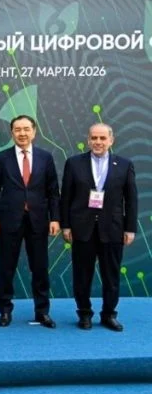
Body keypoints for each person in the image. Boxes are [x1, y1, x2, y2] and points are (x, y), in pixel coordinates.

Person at [60, 123, 137, 331]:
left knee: (111, 276)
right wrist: (65, 226)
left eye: (103, 138)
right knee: (81, 276)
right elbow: (65, 197)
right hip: (81, 228)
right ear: (88, 140)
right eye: (94, 138)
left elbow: (131, 200)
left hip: (112, 229)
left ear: (111, 140)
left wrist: (130, 228)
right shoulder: (74, 163)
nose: (98, 142)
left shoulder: (124, 164)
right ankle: (84, 314)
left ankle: (109, 315)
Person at [0, 115, 59, 328]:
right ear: (12, 133)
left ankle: (42, 312)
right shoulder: (2, 158)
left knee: (40, 268)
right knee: (6, 268)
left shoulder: (45, 157)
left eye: (26, 129)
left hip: (38, 220)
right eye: (17, 130)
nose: (22, 133)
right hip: (9, 220)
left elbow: (53, 192)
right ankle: (5, 311)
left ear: (34, 132)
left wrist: (55, 218)